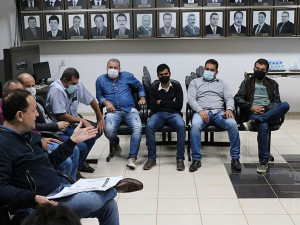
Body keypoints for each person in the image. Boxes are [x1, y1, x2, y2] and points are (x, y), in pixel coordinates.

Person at [0, 89, 143, 225]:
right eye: (33, 110)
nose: (37, 114)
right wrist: (34, 198)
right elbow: (2, 188)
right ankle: (113, 188)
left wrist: (71, 142)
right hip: (37, 204)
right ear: (20, 116)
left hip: (58, 191)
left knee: (109, 206)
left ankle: (107, 189)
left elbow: (49, 162)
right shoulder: (3, 145)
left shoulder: (30, 135)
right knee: (91, 201)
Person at [234, 58, 290, 173]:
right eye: (257, 69)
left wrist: (265, 108)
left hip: (269, 113)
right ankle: (263, 161)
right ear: (254, 69)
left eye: (262, 70)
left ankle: (257, 121)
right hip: (253, 113)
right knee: (263, 125)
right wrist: (251, 107)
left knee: (285, 105)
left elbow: (276, 102)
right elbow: (238, 97)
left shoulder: (273, 84)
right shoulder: (247, 82)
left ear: (267, 72)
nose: (259, 71)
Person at [46, 67, 105, 173]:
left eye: (76, 83)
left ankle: (80, 164)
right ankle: (76, 169)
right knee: (82, 146)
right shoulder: (56, 90)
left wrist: (100, 118)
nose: (76, 86)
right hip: (60, 126)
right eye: (73, 83)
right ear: (64, 81)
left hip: (73, 122)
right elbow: (60, 115)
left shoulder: (77, 84)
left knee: (94, 132)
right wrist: (82, 121)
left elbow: (91, 100)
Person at [187, 59, 241, 172]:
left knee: (232, 124)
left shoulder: (222, 83)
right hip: (201, 112)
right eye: (207, 69)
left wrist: (229, 109)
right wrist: (200, 111)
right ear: (203, 69)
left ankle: (235, 158)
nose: (209, 71)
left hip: (219, 113)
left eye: (212, 70)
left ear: (216, 72)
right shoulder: (195, 82)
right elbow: (191, 99)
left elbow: (229, 98)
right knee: (195, 125)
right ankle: (196, 159)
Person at [96, 58, 146, 169]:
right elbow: (99, 96)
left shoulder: (127, 76)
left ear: (119, 69)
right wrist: (105, 102)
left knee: (138, 128)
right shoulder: (100, 80)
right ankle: (115, 142)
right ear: (106, 68)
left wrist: (142, 97)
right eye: (110, 67)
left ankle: (132, 158)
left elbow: (139, 86)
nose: (113, 69)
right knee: (108, 131)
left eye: (115, 68)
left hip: (130, 109)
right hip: (113, 111)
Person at [143, 64, 186, 171]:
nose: (164, 76)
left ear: (170, 74)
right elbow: (153, 106)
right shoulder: (154, 87)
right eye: (161, 74)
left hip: (174, 114)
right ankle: (151, 159)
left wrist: (161, 102)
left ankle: (180, 159)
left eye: (166, 74)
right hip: (158, 114)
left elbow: (179, 105)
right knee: (149, 126)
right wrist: (171, 102)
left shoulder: (176, 86)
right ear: (158, 76)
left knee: (181, 126)